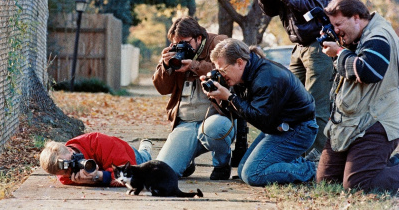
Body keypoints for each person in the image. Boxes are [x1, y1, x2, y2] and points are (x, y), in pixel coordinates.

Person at [255, 0, 335, 161]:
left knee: (316, 105)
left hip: (319, 44)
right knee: (291, 102)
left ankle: (317, 159)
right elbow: (270, 12)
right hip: (299, 45)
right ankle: (294, 153)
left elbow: (316, 3)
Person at [202, 38, 318, 186]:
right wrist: (219, 97)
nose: (222, 75)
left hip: (298, 130)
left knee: (253, 174)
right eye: (218, 71)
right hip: (277, 128)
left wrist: (230, 97)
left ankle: (312, 169)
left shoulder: (267, 77)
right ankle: (293, 160)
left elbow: (260, 119)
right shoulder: (243, 76)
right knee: (244, 169)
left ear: (239, 62)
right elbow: (240, 113)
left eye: (223, 70)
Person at [316, 0, 399, 191]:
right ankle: (380, 165)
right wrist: (342, 46)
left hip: (377, 119)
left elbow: (368, 71)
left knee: (359, 185)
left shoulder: (378, 36)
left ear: (356, 17)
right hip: (351, 120)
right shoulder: (360, 36)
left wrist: (338, 52)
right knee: (326, 183)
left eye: (338, 24)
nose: (336, 31)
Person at [152, 16, 234, 180]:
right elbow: (162, 89)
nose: (181, 47)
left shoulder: (218, 43)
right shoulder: (176, 54)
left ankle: (222, 164)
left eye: (186, 43)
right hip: (186, 123)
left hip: (214, 119)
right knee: (163, 173)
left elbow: (228, 70)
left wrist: (194, 66)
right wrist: (165, 66)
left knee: (214, 128)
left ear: (199, 38)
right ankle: (186, 159)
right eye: (177, 43)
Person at [39, 132, 152, 186]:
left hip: (128, 156)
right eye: (66, 172)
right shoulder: (63, 174)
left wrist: (99, 176)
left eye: (71, 163)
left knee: (146, 160)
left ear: (70, 150)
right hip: (111, 162)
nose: (70, 169)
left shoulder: (97, 142)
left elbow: (129, 175)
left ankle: (145, 148)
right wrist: (88, 181)